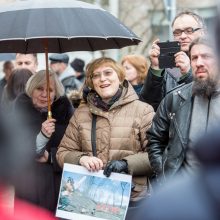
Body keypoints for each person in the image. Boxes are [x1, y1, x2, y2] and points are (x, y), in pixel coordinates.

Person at [56, 57, 154, 205]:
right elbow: (62, 152)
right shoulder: (81, 113)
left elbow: (156, 156)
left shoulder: (143, 110)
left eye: (108, 73)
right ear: (92, 83)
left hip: (131, 198)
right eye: (96, 75)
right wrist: (81, 159)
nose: (102, 79)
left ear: (120, 77)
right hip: (90, 198)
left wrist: (126, 164)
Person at [147, 37, 219, 185]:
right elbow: (155, 139)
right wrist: (164, 175)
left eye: (206, 56)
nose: (199, 63)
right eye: (194, 58)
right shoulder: (175, 98)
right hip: (184, 191)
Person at [13, 70, 74, 212]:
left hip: (58, 187)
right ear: (30, 90)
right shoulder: (18, 116)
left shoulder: (67, 118)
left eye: (50, 90)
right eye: (39, 89)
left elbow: (75, 152)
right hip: (28, 186)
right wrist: (42, 136)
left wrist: (52, 157)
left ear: (56, 93)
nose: (44, 94)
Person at [132, 129, 220, 220]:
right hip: (172, 192)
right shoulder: (163, 201)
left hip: (139, 196)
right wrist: (164, 174)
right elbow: (155, 140)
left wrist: (127, 164)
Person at [140, 11, 205, 111]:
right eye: (177, 32)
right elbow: (148, 106)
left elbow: (208, 101)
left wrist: (189, 74)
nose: (182, 36)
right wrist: (156, 69)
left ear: (202, 32)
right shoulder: (167, 67)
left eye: (189, 30)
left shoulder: (215, 62)